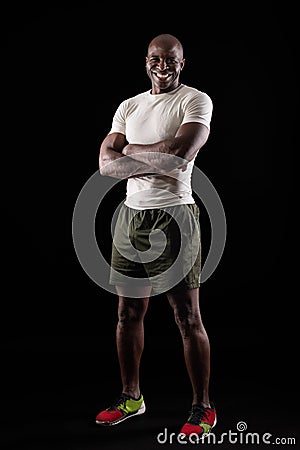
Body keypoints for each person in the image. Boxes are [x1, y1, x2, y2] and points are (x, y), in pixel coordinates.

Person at [95, 33, 216, 440]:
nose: (162, 67)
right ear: (146, 61)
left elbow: (180, 153)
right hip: (131, 218)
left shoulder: (195, 100)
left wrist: (130, 152)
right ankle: (131, 397)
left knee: (187, 318)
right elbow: (105, 165)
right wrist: (153, 154)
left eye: (170, 60)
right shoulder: (128, 106)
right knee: (128, 314)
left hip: (175, 217)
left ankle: (203, 408)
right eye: (155, 59)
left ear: (183, 62)